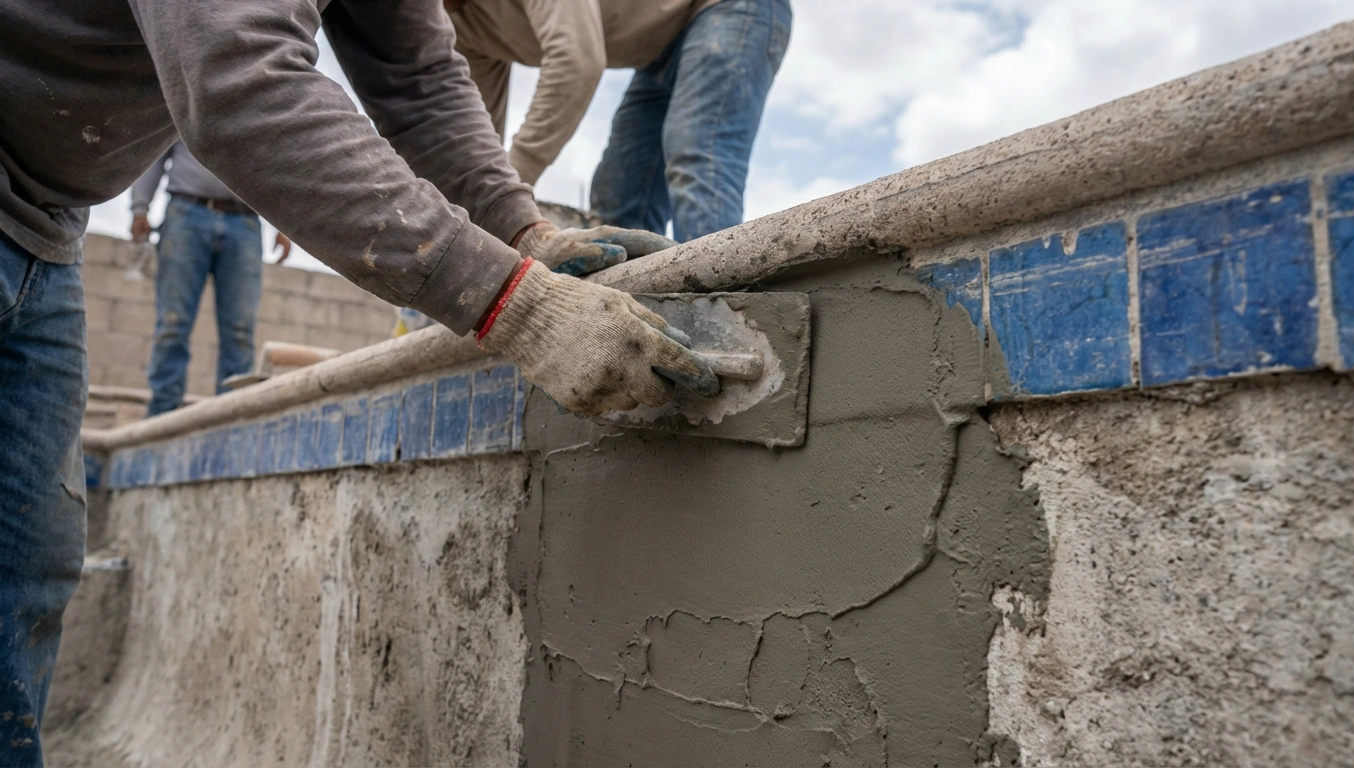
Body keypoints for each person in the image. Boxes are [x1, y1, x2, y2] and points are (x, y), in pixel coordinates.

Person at [0, 1, 718, 763]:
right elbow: (243, 82)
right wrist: (517, 306)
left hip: (43, 226)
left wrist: (521, 230)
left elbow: (418, 81)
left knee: (28, 569)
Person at [446, 0, 791, 243]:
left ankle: (722, 322)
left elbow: (576, 62)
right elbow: (478, 144)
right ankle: (638, 334)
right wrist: (461, 226)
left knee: (698, 156)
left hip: (731, 9)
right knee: (620, 200)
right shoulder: (456, 28)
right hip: (659, 46)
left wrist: (503, 197)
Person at [131, 140, 294, 415]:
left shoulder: (263, 108)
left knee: (240, 331)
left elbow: (280, 166)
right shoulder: (184, 97)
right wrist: (139, 207)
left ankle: (230, 415)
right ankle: (162, 413)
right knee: (173, 323)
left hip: (245, 221)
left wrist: (286, 223)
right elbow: (154, 153)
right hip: (186, 212)